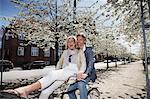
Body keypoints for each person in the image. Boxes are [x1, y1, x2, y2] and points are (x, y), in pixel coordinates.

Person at [4, 36, 86, 99]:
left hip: (74, 72)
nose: (70, 43)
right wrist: (58, 72)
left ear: (75, 43)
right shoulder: (65, 52)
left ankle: (25, 90)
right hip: (64, 72)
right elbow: (59, 64)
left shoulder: (80, 52)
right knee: (45, 92)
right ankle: (28, 91)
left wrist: (80, 72)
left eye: (72, 41)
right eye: (68, 42)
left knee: (52, 74)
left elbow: (83, 65)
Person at [68, 33, 97, 99]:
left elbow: (90, 63)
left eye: (81, 40)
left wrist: (86, 74)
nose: (79, 41)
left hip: (89, 75)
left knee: (81, 84)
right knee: (70, 91)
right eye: (77, 40)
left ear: (84, 41)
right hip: (78, 75)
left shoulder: (89, 50)